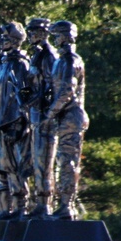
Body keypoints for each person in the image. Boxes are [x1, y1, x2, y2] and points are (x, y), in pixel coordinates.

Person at [41, 20, 88, 220]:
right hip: (64, 118)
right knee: (62, 161)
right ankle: (63, 205)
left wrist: (50, 114)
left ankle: (67, 206)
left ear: (67, 36)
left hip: (71, 117)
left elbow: (67, 91)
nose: (54, 39)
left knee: (67, 162)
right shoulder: (60, 61)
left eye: (57, 35)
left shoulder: (70, 60)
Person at [0, 22, 31, 219]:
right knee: (0, 167)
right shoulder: (2, 65)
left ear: (15, 42)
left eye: (6, 39)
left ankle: (20, 207)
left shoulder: (21, 64)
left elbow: (24, 95)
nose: (3, 42)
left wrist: (17, 123)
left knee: (14, 167)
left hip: (13, 124)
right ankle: (3, 211)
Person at [24, 17, 59, 217]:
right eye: (29, 32)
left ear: (44, 33)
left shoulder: (48, 56)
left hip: (45, 117)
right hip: (35, 117)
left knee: (44, 162)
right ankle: (39, 202)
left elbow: (50, 88)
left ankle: (45, 203)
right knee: (36, 162)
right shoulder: (35, 56)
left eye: (34, 32)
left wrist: (35, 102)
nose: (30, 36)